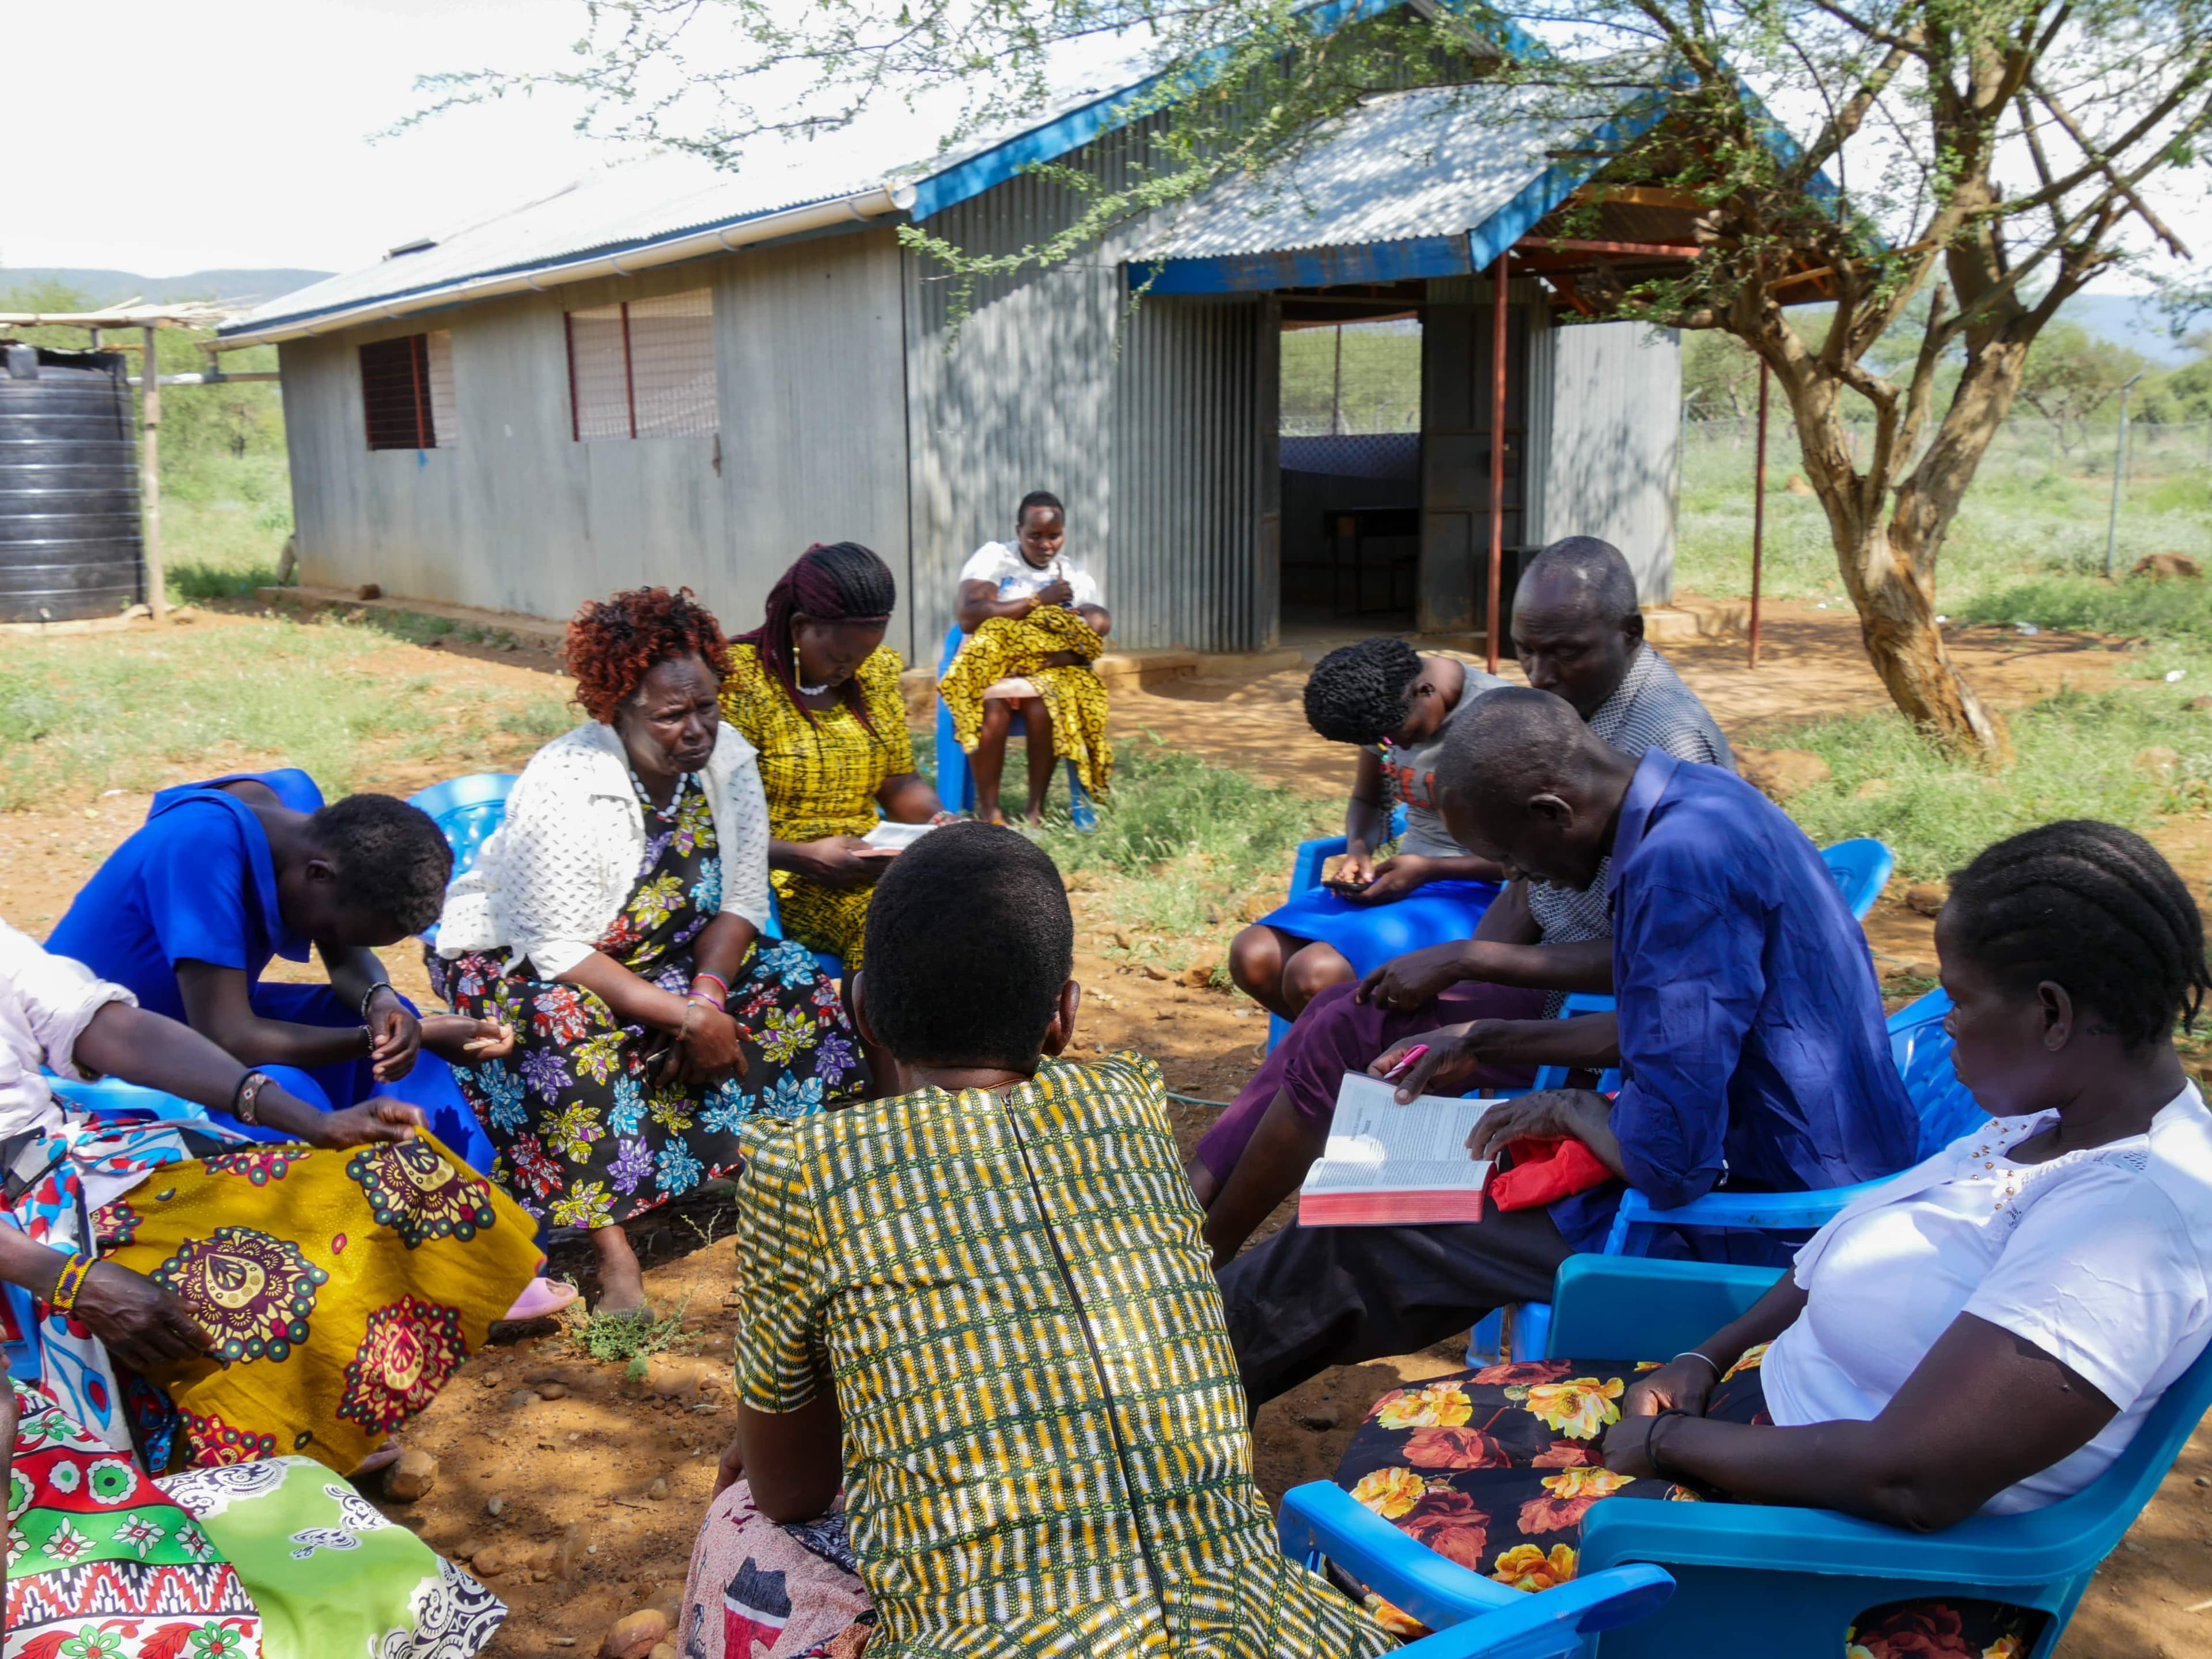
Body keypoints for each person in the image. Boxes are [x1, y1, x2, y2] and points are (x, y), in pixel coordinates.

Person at [1327, 820, 2212, 1659]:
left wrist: (1667, 1447)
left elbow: (1912, 1482)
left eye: (1961, 998)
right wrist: (1705, 1357)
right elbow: (1839, 1254)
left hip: (1830, 1563)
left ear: (2053, 1014)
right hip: (1762, 1429)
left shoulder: (2131, 1225)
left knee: (1393, 1554)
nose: (1945, 1020)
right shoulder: (2050, 1122)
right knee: (1401, 1432)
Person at [676, 824, 1395, 1659]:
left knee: (739, 1520)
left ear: (864, 1012)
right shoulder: (1128, 1103)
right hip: (1270, 1634)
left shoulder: (803, 1167)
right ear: (1065, 1016)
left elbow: (791, 1492)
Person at [1221, 686, 1919, 1406]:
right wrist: (1491, 1038)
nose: (1517, 877)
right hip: (1778, 1153)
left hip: (1770, 1211)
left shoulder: (1678, 869)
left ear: (1552, 812)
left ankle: (1172, 1395)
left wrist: (1567, 1108)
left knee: (1366, 1231)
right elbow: (1678, 1025)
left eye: (1509, 855)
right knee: (1396, 1213)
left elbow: (1669, 1162)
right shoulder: (1700, 802)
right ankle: (1187, 1379)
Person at [1190, 537, 1733, 1261]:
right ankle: (1189, 1205)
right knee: (1342, 1010)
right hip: (1546, 968)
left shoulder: (1667, 745)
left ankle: (1207, 1251)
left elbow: (1662, 970)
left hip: (1597, 1015)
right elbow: (1529, 883)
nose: (1541, 674)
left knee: (1347, 1027)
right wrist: (1457, 968)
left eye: (1565, 653)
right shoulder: (1584, 703)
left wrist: (1467, 962)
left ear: (1630, 633)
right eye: (1526, 652)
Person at [432, 586, 867, 1315]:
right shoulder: (568, 781)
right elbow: (554, 946)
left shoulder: (728, 759)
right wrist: (684, 1019)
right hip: (527, 960)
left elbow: (742, 897)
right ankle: (614, 1252)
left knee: (795, 981)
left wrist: (705, 1001)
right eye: (670, 716)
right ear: (617, 709)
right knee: (563, 1027)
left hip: (662, 952)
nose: (696, 730)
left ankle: (773, 1173)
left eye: (707, 706)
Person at [0, 916, 540, 1490]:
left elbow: (109, 1028)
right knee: (225, 1298)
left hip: (69, 1159)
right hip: (21, 1229)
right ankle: (224, 1476)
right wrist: (71, 1280)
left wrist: (313, 1123)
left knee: (395, 1180)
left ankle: (319, 1428)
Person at [46, 770, 499, 1172]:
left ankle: (464, 1191)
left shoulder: (304, 816)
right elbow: (231, 1037)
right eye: (332, 929)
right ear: (317, 875)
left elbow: (346, 959)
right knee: (290, 1088)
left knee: (396, 1025)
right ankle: (353, 1213)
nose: (332, 939)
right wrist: (397, 1036)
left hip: (193, 1015)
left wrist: (381, 1000)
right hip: (97, 1058)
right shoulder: (201, 848)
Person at [1228, 638, 1510, 1021]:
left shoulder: (1502, 716)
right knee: (1254, 955)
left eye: (1398, 733)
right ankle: (1343, 1050)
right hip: (1410, 880)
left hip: (1490, 891)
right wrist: (1359, 850)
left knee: (1315, 974)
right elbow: (1368, 799)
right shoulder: (1384, 705)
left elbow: (1547, 857)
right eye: (1383, 741)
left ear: (1425, 690)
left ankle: (1362, 1052)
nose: (1396, 745)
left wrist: (1431, 869)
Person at [718, 541, 945, 975]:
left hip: (871, 863)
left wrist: (940, 821)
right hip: (782, 878)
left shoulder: (876, 673)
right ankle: (879, 1021)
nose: (852, 669)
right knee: (891, 922)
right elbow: (711, 823)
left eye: (864, 657)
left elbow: (900, 784)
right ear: (800, 627)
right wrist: (800, 856)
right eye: (840, 658)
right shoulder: (740, 683)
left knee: (969, 905)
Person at [942, 490, 1115, 823]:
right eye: (1035, 536)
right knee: (990, 708)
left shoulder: (1073, 574)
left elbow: (1087, 636)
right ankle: (990, 810)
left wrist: (1054, 659)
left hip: (1046, 670)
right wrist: (1038, 600)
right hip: (993, 664)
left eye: (1054, 536)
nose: (1045, 545)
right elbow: (969, 617)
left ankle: (1035, 809)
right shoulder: (996, 559)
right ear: (1018, 531)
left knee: (1045, 707)